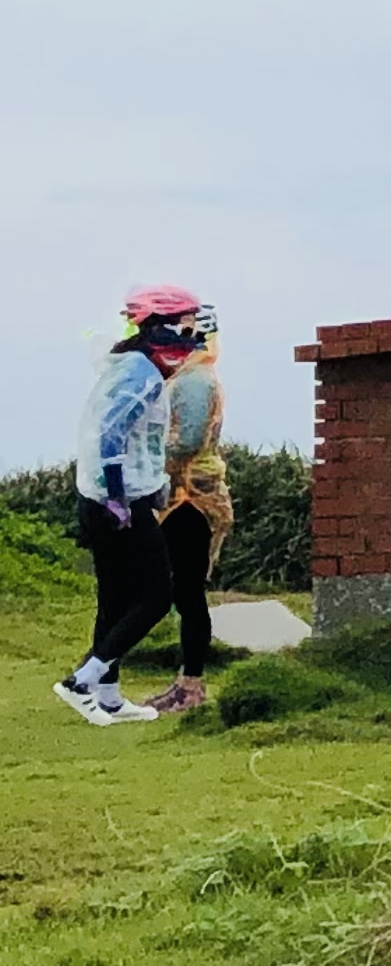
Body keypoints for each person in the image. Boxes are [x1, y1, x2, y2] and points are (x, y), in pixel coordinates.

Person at [57, 288, 210, 726]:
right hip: (117, 502)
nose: (190, 336)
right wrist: (120, 497)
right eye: (183, 325)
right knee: (156, 597)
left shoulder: (132, 366)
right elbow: (111, 435)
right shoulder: (140, 374)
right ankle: (82, 679)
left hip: (110, 496)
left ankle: (107, 696)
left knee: (116, 598)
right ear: (157, 327)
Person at [155, 328, 233, 717]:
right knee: (183, 592)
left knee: (187, 592)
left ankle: (192, 684)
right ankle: (186, 681)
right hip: (184, 495)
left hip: (191, 498)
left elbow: (186, 441)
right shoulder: (187, 379)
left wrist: (146, 451)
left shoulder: (194, 382)